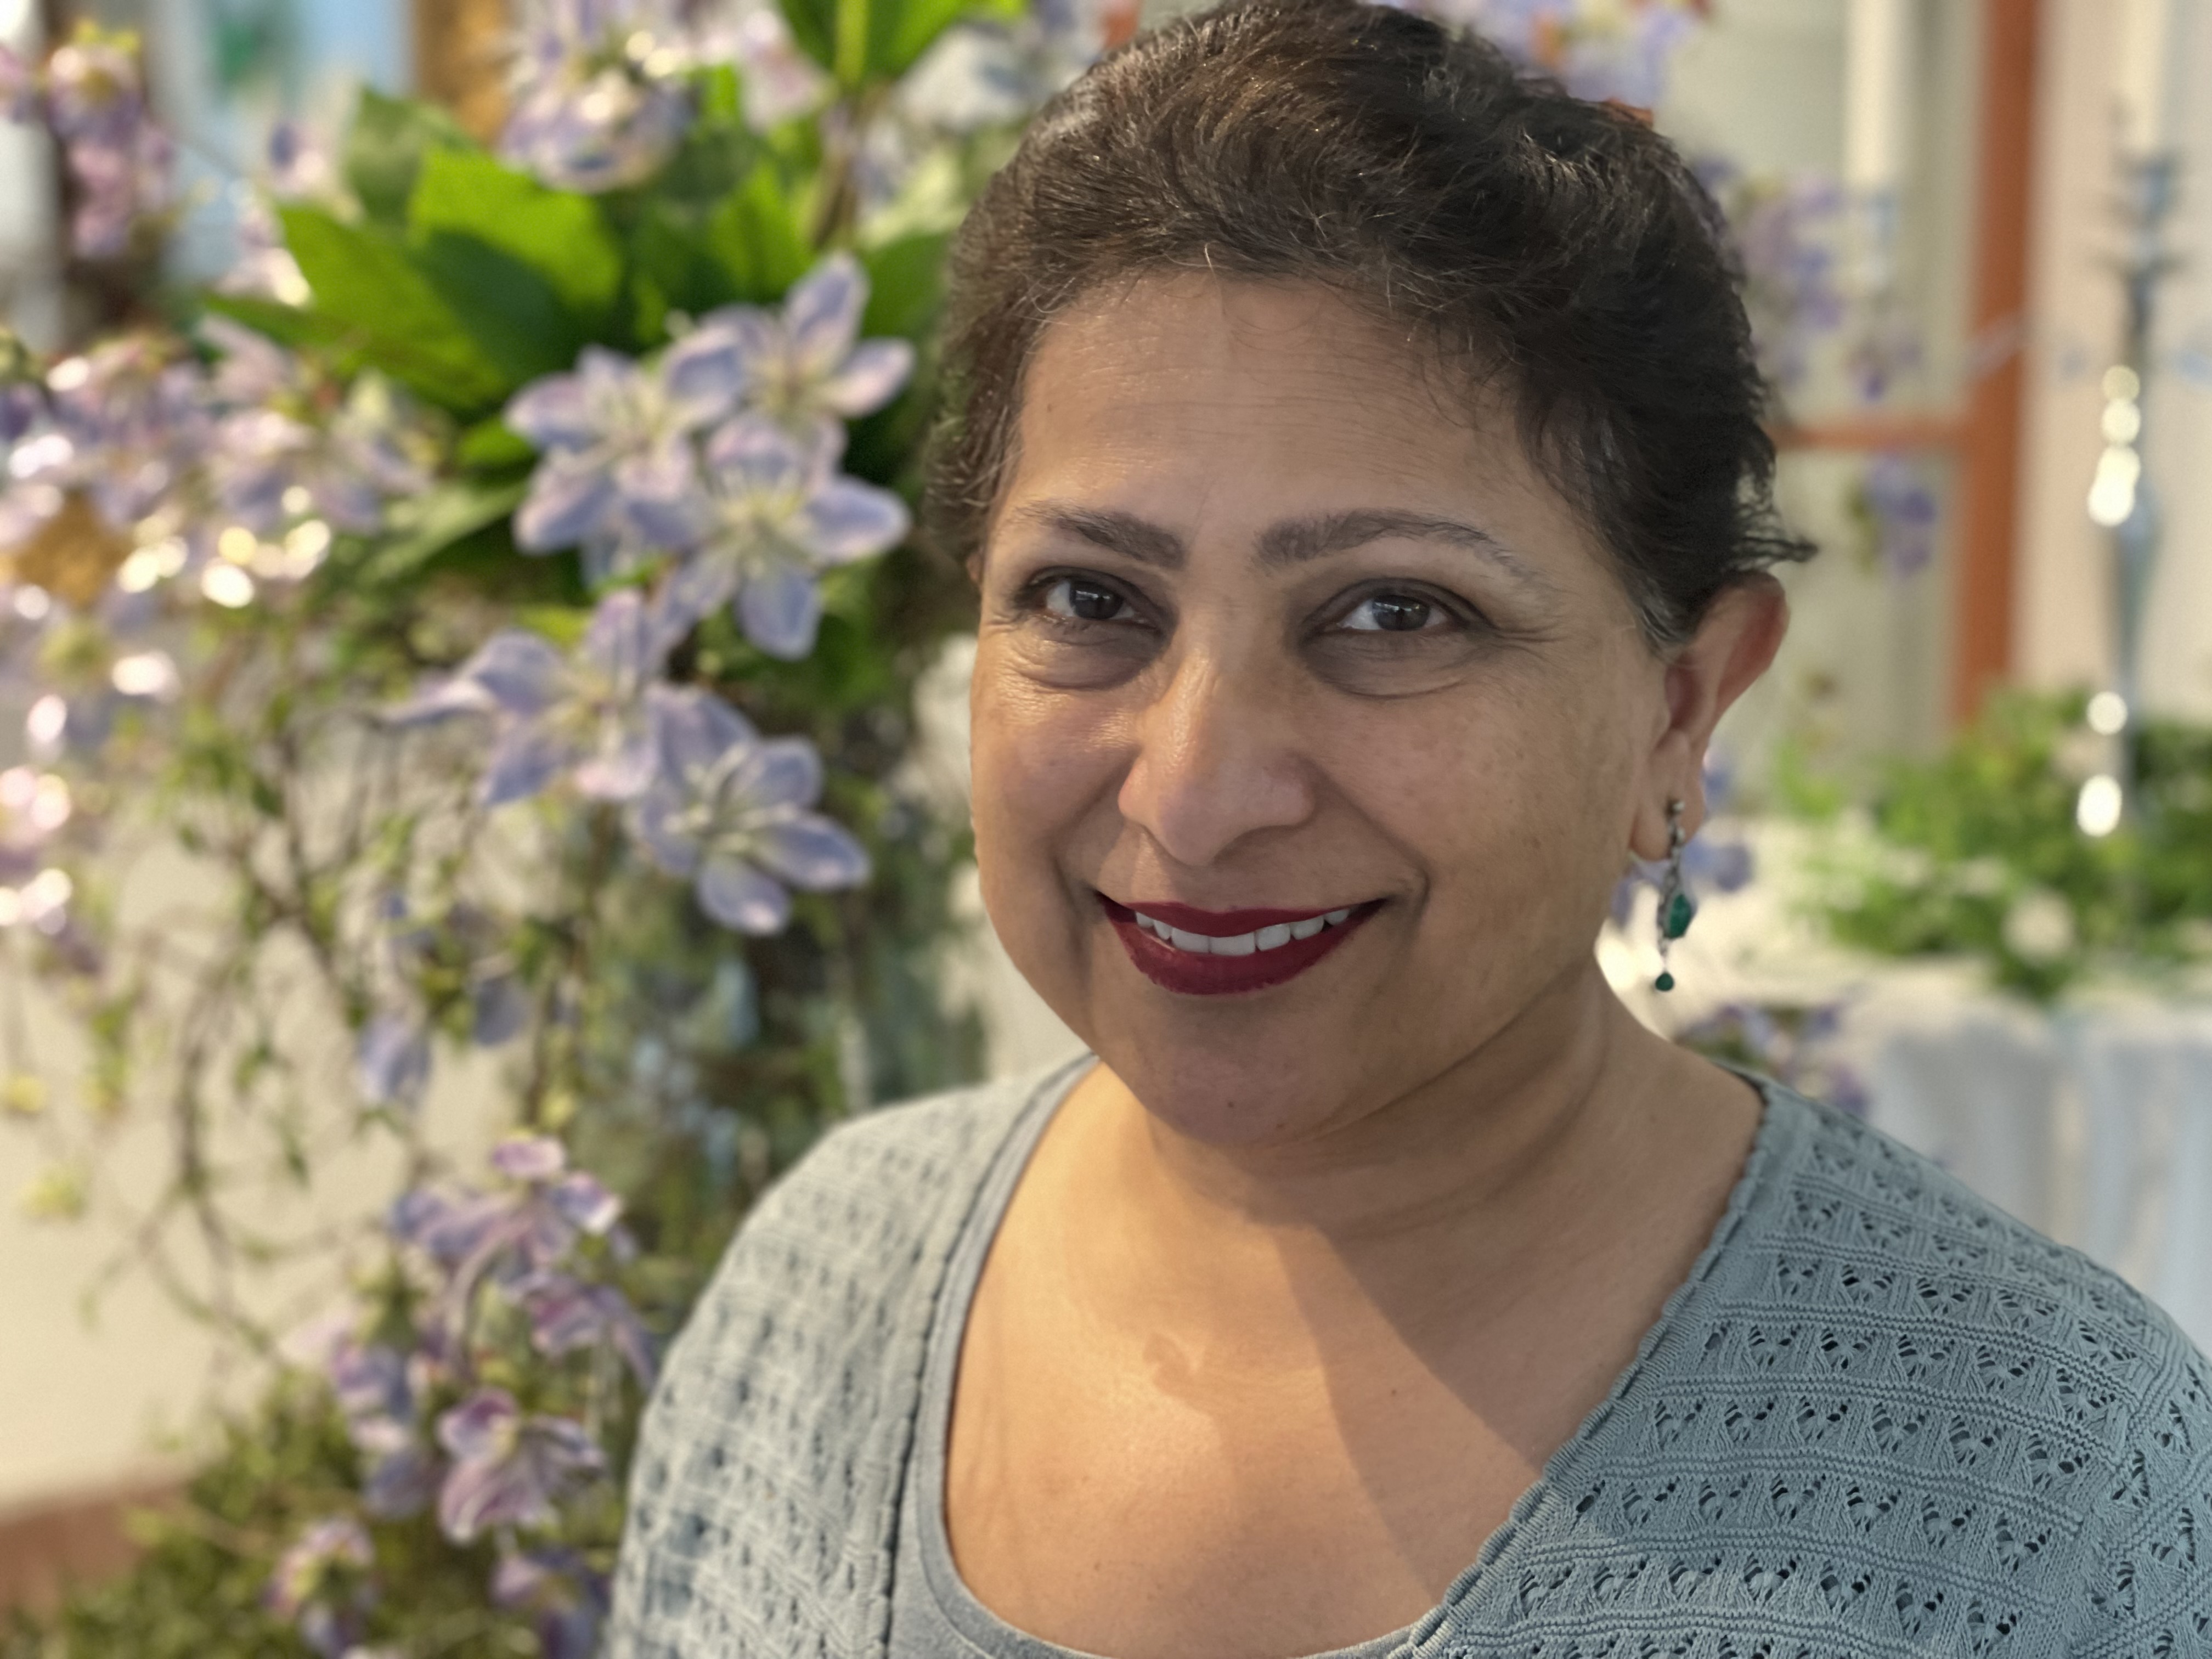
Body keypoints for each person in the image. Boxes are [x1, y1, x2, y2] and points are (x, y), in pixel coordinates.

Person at [607, 2, 2212, 1654]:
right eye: (1091, 599)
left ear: (1680, 706)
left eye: (1394, 614)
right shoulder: (824, 1291)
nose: (1194, 795)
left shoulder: (2053, 1495)